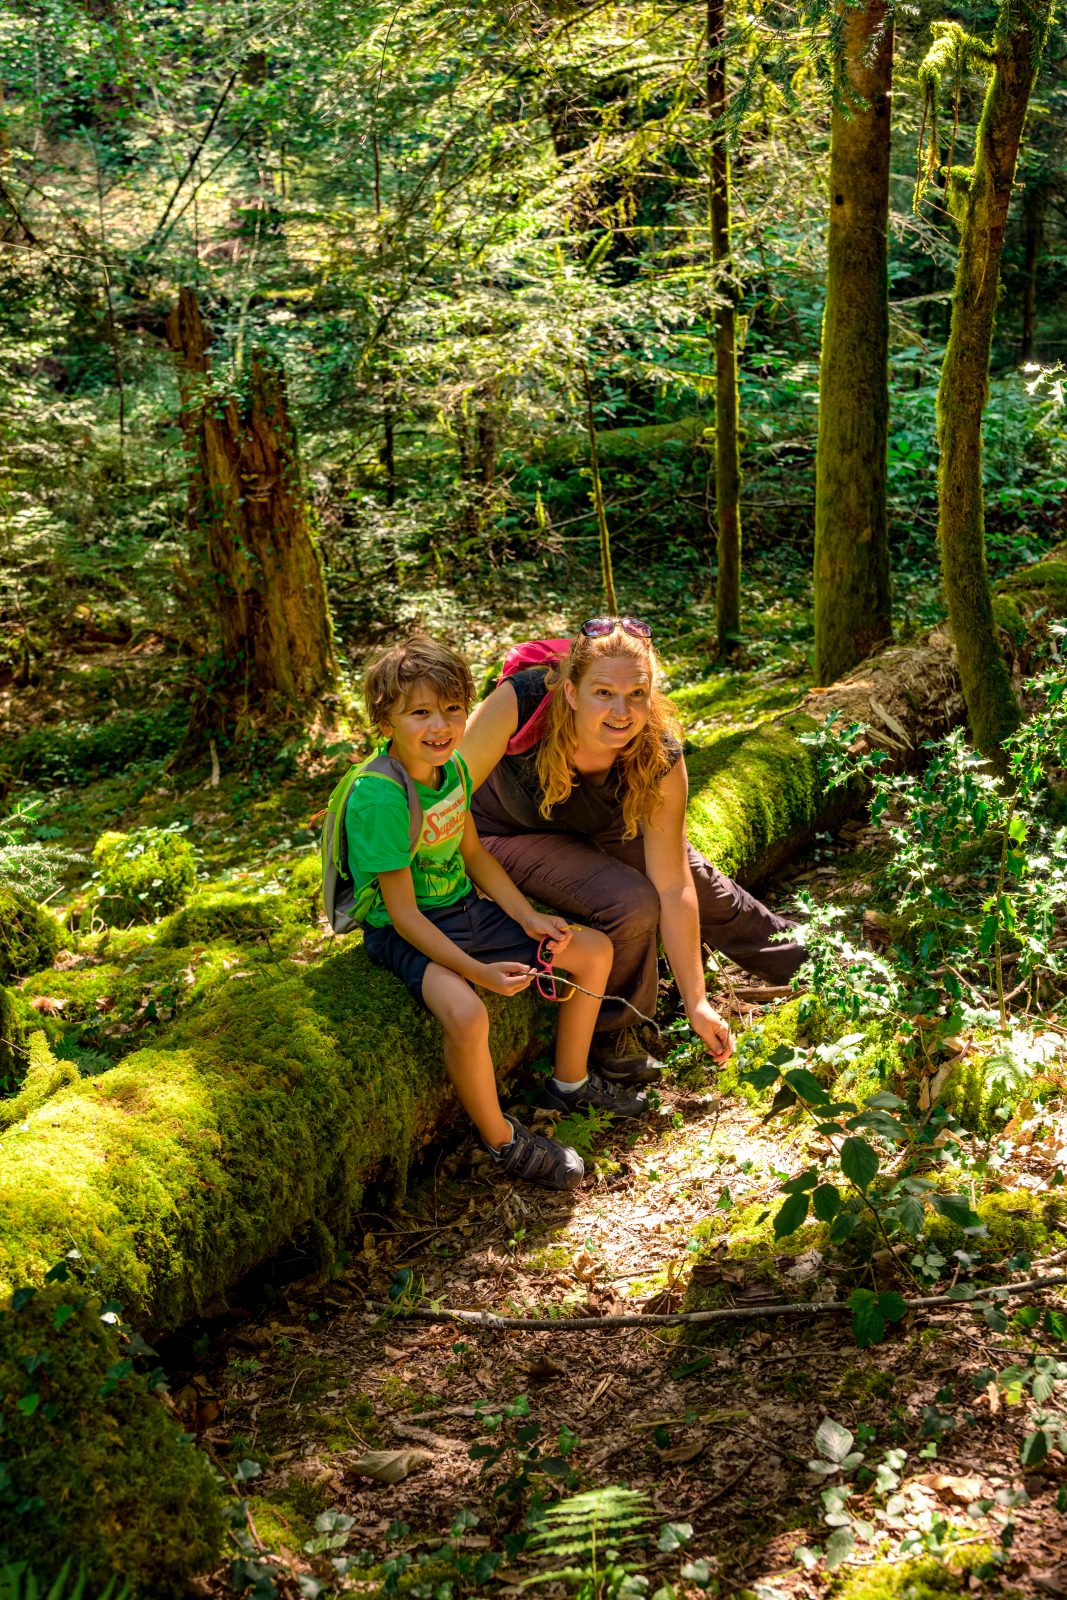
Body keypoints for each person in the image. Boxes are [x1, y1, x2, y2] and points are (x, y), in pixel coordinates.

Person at [346, 633, 649, 1193]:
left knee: (592, 949)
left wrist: (526, 917)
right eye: (420, 714)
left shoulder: (454, 772)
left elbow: (475, 855)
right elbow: (403, 913)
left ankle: (570, 1082)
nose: (440, 727)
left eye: (453, 711)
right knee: (467, 1015)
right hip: (404, 931)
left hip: (462, 908)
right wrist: (478, 972)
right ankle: (502, 1138)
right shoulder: (380, 796)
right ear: (385, 719)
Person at [460, 616, 807, 1083]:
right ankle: (619, 1026)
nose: (621, 711)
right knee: (630, 900)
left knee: (700, 882)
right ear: (570, 692)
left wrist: (697, 1002)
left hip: (591, 825)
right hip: (501, 831)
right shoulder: (522, 701)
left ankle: (808, 960)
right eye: (603, 693)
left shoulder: (659, 750)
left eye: (637, 694)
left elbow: (674, 882)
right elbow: (446, 796)